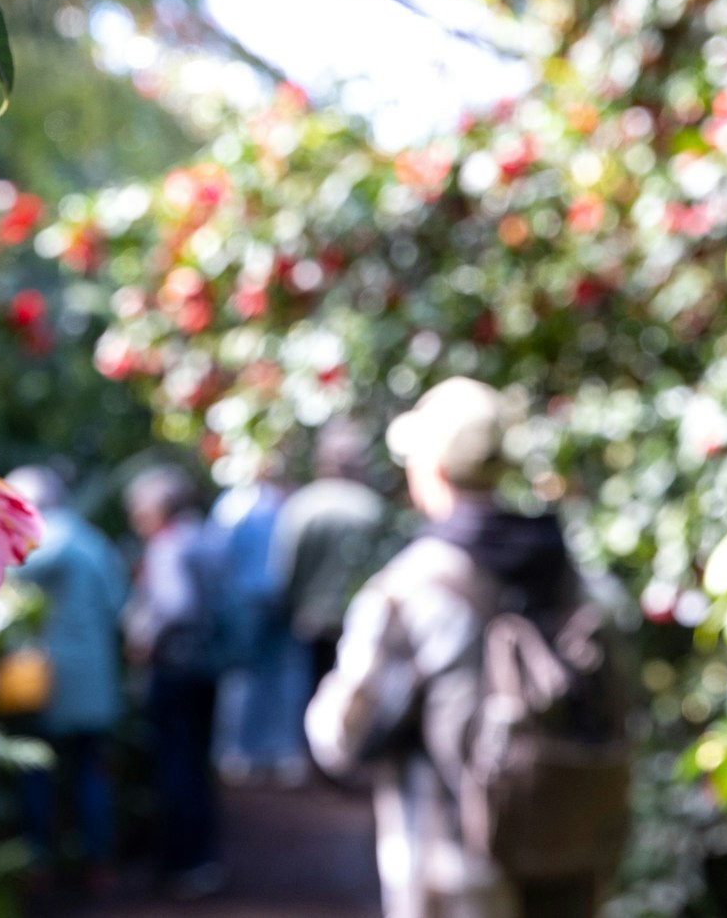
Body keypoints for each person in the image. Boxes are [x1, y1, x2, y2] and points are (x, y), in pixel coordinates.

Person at [305, 378, 630, 918]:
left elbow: (340, 737)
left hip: (453, 874)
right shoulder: (579, 577)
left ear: (429, 470)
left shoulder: (409, 591)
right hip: (568, 858)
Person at [7, 467, 129, 893]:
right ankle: (98, 864)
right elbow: (118, 605)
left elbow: (0, 590)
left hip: (46, 682)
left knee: (37, 772)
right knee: (91, 771)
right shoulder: (94, 542)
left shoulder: (41, 542)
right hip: (95, 682)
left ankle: (38, 864)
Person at [121, 464, 226, 899]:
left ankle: (183, 862)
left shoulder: (169, 546)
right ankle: (201, 859)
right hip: (205, 667)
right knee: (197, 765)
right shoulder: (204, 537)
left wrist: (144, 637)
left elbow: (176, 605)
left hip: (176, 670)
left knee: (177, 767)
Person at [205, 476, 311, 784]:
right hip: (266, 601)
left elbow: (216, 557)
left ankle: (242, 753)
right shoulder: (283, 504)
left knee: (253, 674)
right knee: (274, 675)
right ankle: (270, 752)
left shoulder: (239, 504)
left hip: (252, 601)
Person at [270, 417, 389, 683]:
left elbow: (285, 571)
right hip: (361, 622)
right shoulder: (373, 508)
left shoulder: (301, 506)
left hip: (310, 624)